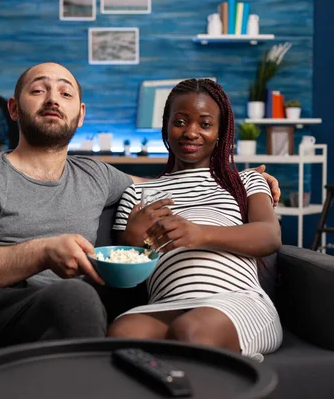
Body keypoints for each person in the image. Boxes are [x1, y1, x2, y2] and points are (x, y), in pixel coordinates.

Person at [0, 63, 281, 398]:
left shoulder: (99, 176)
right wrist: (43, 251)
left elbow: (173, 190)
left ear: (80, 114)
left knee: (78, 297)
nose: (52, 99)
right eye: (38, 90)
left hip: (45, 310)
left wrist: (252, 182)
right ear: (14, 108)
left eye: (65, 92)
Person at [107, 78, 283, 361]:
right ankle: (230, 365)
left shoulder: (246, 181)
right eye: (180, 121)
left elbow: (269, 236)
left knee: (191, 331)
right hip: (165, 305)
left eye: (204, 123)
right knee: (122, 333)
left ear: (219, 132)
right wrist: (130, 240)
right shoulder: (138, 193)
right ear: (165, 126)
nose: (191, 132)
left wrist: (198, 233)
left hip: (236, 302)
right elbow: (122, 281)